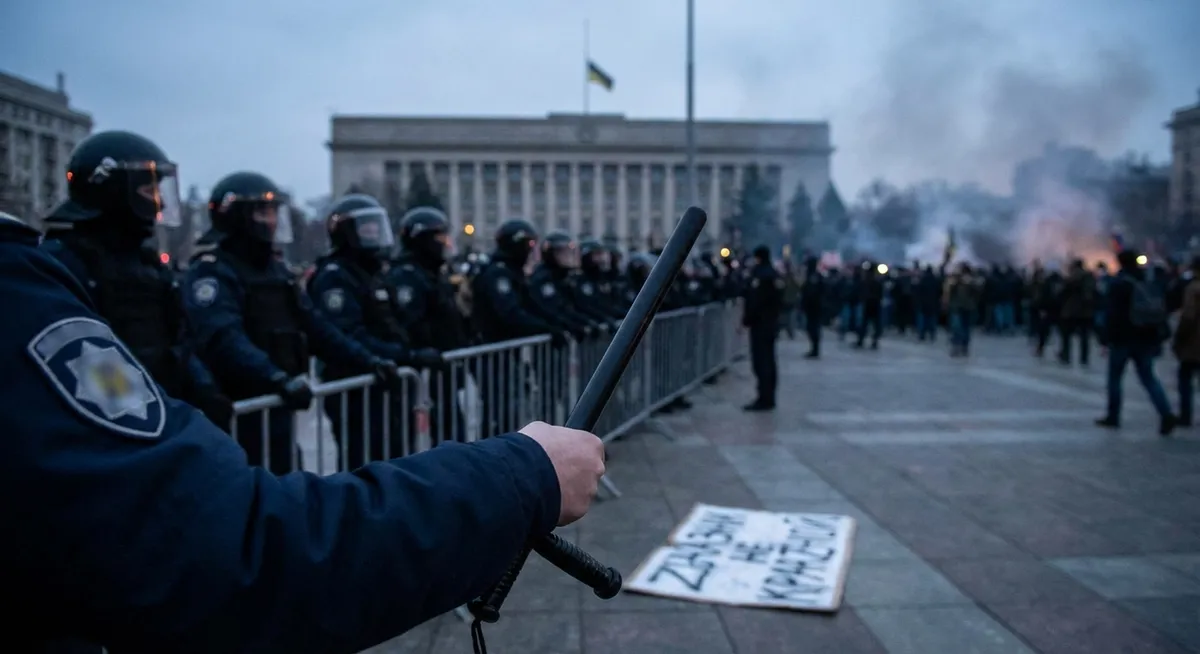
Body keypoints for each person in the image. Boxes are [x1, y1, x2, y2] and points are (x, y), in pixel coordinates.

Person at [0, 210, 607, 652]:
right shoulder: (43, 278)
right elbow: (239, 554)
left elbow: (285, 331)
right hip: (239, 423)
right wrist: (520, 474)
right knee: (339, 471)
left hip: (243, 418)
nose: (271, 222)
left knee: (317, 471)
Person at [183, 172, 406, 473]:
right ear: (235, 216)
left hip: (276, 405)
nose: (272, 221)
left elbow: (317, 328)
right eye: (263, 212)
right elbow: (224, 337)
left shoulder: (277, 272)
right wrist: (275, 378)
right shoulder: (213, 272)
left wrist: (370, 362)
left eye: (275, 212)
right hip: (236, 407)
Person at [39, 130, 233, 429]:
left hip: (155, 421)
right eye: (148, 191)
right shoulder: (61, 263)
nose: (158, 203)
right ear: (115, 190)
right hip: (106, 431)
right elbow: (79, 352)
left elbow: (178, 339)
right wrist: (137, 416)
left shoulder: (147, 261)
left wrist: (204, 389)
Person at [307, 193, 445, 467]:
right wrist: (405, 357)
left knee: (395, 458)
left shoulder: (372, 274)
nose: (374, 235)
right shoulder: (334, 276)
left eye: (375, 227)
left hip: (386, 384)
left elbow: (392, 323)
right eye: (365, 229)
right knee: (365, 464)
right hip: (357, 389)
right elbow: (347, 335)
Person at [388, 205, 474, 442]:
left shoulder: (433, 272)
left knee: (451, 433)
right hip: (425, 372)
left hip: (440, 368)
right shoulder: (407, 275)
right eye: (439, 237)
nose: (445, 243)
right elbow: (411, 324)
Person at [1095, 249, 1176, 435]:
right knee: (1148, 378)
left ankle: (1113, 415)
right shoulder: (1146, 280)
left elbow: (1112, 314)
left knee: (1115, 378)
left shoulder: (1119, 283)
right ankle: (1165, 413)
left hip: (1122, 338)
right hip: (1145, 336)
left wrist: (1105, 337)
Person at [742, 245, 783, 411]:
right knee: (769, 361)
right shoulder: (773, 274)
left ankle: (764, 397)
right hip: (770, 323)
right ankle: (768, 396)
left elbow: (755, 300)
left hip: (761, 324)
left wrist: (747, 318)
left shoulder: (761, 275)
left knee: (762, 362)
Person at [799, 255, 825, 358]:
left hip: (814, 306)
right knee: (812, 328)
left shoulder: (813, 277)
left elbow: (810, 292)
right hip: (814, 306)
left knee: (813, 328)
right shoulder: (815, 276)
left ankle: (815, 349)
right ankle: (814, 348)